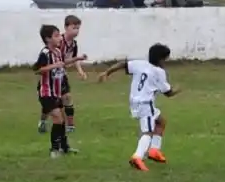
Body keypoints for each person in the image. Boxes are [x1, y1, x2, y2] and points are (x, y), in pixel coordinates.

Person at [97, 43, 178, 172]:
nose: (165, 62)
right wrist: (178, 90)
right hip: (146, 104)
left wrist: (107, 72)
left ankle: (154, 151)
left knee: (161, 121)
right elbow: (168, 93)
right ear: (161, 59)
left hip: (135, 102)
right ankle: (137, 156)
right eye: (165, 59)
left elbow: (122, 64)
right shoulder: (159, 72)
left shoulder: (140, 64)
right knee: (148, 132)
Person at [34, 24, 86, 158]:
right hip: (46, 92)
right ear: (47, 39)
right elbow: (37, 69)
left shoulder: (57, 52)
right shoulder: (45, 53)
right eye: (56, 36)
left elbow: (63, 62)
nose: (59, 38)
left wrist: (77, 59)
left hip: (57, 92)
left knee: (61, 119)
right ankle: (55, 149)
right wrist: (53, 66)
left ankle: (64, 147)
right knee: (57, 118)